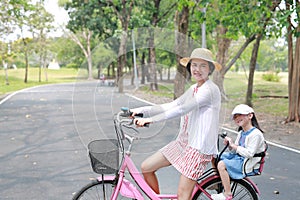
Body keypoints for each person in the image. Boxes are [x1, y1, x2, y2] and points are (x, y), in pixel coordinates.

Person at [130, 48, 222, 200]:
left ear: (210, 69)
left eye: (203, 66)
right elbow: (173, 105)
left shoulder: (210, 90)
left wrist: (150, 120)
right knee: (146, 168)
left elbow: (182, 109)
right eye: (194, 65)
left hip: (198, 149)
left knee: (182, 196)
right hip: (183, 143)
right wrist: (139, 111)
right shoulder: (194, 88)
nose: (197, 69)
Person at [211, 104, 265, 200]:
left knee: (221, 165)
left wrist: (234, 146)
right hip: (239, 158)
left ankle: (227, 194)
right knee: (214, 156)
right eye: (235, 117)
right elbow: (235, 150)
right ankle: (219, 182)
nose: (237, 118)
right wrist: (230, 144)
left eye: (240, 115)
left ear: (250, 116)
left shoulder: (256, 134)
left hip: (247, 162)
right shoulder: (241, 132)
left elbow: (249, 153)